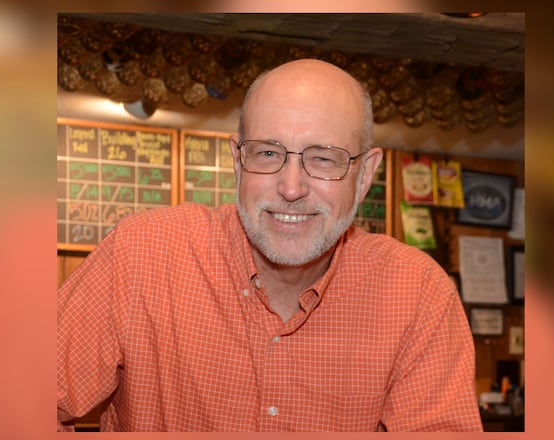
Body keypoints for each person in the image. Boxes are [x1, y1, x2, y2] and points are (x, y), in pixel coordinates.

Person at [57, 58, 483, 432]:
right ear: (237, 161)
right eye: (266, 154)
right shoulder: (143, 254)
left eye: (323, 158)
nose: (292, 187)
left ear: (366, 175)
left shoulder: (417, 293)